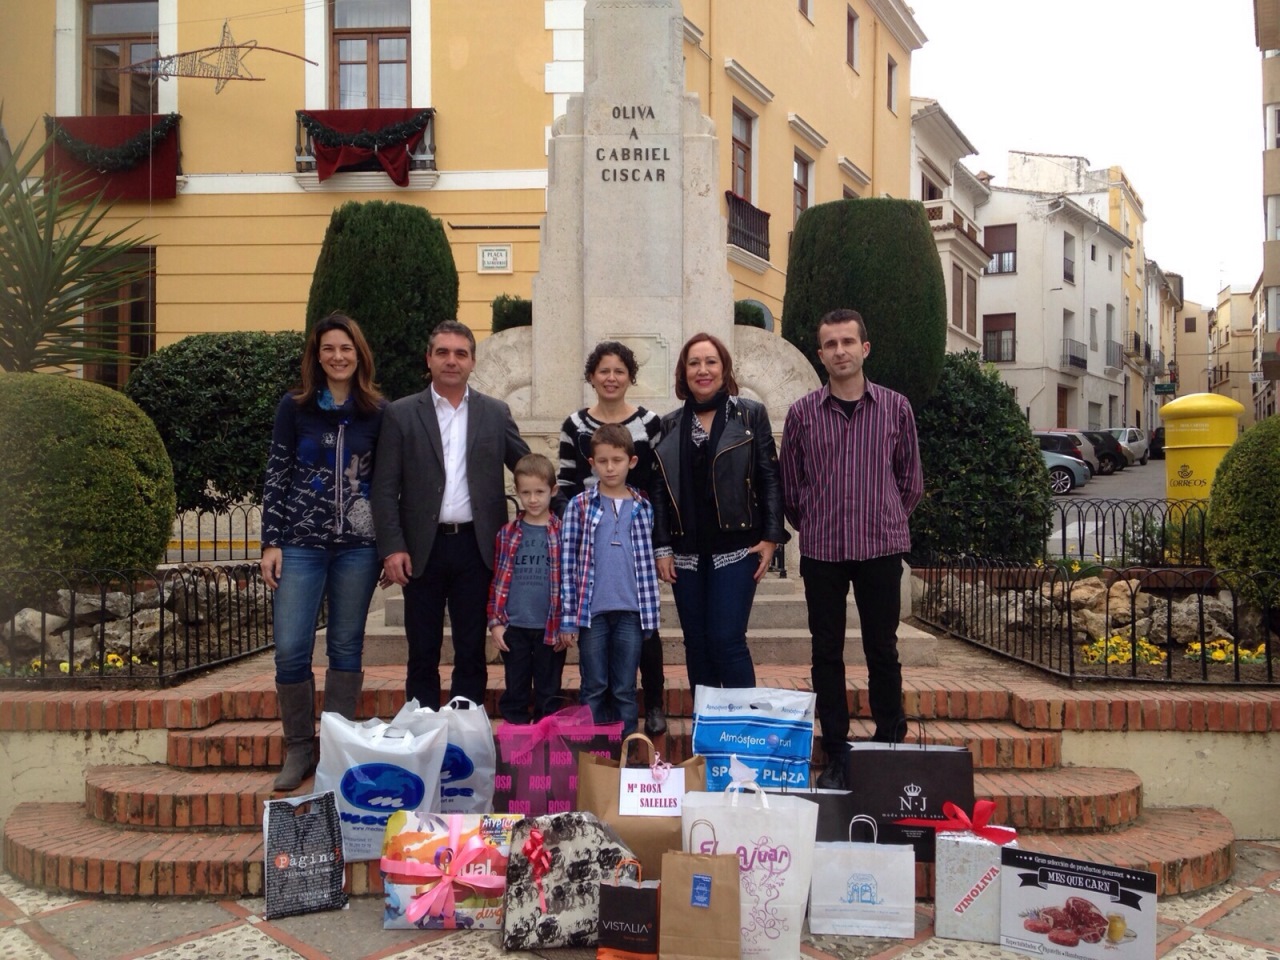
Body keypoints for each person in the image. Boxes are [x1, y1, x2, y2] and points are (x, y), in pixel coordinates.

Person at [778, 308, 923, 789]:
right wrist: (815, 521)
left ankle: (888, 744)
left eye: (847, 342)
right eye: (830, 344)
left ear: (865, 348)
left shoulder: (896, 408)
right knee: (827, 652)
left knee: (883, 648)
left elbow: (911, 481)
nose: (839, 351)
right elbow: (790, 487)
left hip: (881, 547)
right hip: (822, 550)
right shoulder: (801, 414)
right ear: (820, 355)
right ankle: (836, 750)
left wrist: (883, 516)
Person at [371, 320, 530, 708]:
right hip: (421, 550)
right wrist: (392, 547)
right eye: (442, 352)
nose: (451, 360)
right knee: (422, 650)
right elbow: (383, 487)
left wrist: (562, 510)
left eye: (460, 353)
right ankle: (422, 734)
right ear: (429, 359)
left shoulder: (495, 413)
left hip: (477, 550)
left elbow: (528, 467)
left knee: (471, 648)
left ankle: (465, 734)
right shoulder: (401, 414)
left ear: (473, 361)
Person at [260, 312, 385, 791]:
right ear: (317, 355)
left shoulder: (376, 411)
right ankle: (298, 747)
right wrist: (271, 539)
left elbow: (388, 483)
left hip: (358, 547)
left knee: (346, 646)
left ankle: (335, 748)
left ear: (359, 355)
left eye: (346, 348)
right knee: (291, 647)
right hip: (301, 543)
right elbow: (277, 473)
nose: (338, 356)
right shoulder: (295, 408)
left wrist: (389, 546)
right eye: (329, 348)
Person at [650, 332, 787, 692]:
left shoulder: (750, 415)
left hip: (738, 549)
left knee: (727, 641)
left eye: (711, 362)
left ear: (724, 368)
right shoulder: (669, 424)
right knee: (697, 645)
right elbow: (661, 492)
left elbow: (769, 477)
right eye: (694, 363)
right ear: (684, 372)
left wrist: (772, 537)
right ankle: (706, 731)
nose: (703, 370)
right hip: (686, 554)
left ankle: (743, 730)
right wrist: (662, 547)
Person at [556, 341, 668, 735]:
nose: (611, 377)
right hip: (592, 535)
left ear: (630, 376)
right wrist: (576, 520)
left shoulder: (651, 424)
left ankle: (645, 718)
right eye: (603, 370)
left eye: (619, 370)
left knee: (630, 670)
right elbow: (567, 481)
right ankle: (595, 754)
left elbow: (659, 482)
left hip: (633, 541)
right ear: (591, 376)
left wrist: (661, 543)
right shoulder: (574, 425)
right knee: (596, 679)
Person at [487, 453, 568, 724]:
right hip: (516, 627)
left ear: (553, 491)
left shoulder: (563, 532)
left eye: (540, 492)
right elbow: (498, 580)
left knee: (549, 692)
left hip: (550, 627)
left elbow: (570, 580)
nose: (533, 499)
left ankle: (546, 748)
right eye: (526, 493)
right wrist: (496, 622)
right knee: (516, 689)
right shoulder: (507, 533)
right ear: (517, 492)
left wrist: (567, 624)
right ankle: (516, 748)